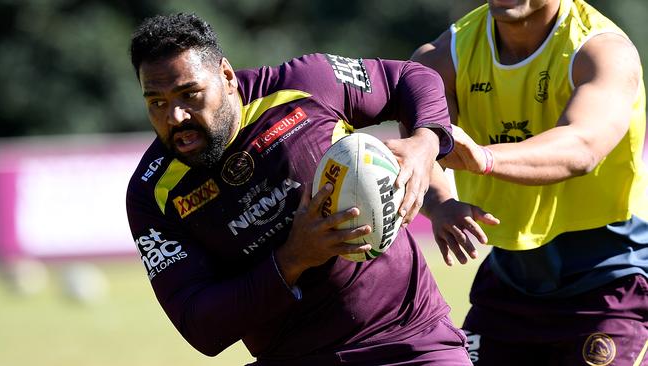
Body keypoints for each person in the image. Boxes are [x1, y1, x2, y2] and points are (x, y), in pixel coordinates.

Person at [126, 13, 472, 365]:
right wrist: (294, 257)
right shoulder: (152, 193)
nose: (175, 117)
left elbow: (411, 77)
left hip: (411, 340)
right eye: (157, 103)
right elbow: (201, 326)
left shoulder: (305, 85)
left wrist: (425, 143)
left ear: (226, 76)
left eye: (190, 94)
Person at [411, 0, 648, 365]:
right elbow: (424, 146)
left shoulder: (603, 51)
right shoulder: (444, 57)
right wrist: (440, 201)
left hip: (611, 282)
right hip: (510, 282)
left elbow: (582, 147)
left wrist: (486, 158)